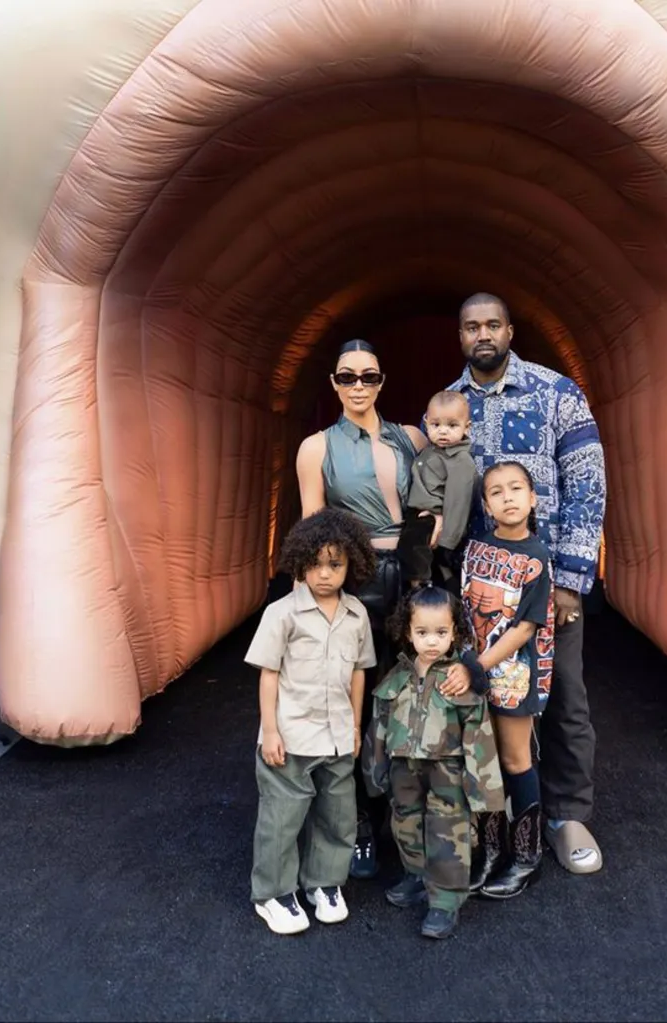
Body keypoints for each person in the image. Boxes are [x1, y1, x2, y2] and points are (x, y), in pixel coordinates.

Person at [447, 292, 607, 877]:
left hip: (546, 583)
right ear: (461, 337)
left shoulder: (556, 393)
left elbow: (588, 484)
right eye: (472, 327)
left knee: (562, 695)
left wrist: (571, 578)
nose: (483, 335)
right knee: (482, 698)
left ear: (511, 331)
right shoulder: (448, 406)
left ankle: (567, 816)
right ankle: (493, 819)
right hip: (478, 593)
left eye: (493, 324)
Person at [296, 339, 427, 879]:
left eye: (368, 376)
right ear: (334, 383)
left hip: (414, 577)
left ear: (381, 381)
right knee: (353, 699)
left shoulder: (412, 438)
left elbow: (437, 498)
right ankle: (356, 822)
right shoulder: (316, 447)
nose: (358, 386)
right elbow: (314, 530)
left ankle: (412, 816)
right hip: (359, 580)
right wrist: (313, 607)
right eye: (347, 377)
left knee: (413, 696)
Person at [245, 508, 377, 934]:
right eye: (315, 564)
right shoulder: (282, 613)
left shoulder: (357, 615)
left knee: (338, 814)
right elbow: (269, 673)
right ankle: (273, 892)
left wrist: (355, 727)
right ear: (299, 562)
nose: (324, 574)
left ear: (350, 564)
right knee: (282, 817)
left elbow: (359, 673)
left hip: (337, 735)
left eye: (335, 564)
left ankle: (324, 882)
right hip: (292, 734)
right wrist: (269, 731)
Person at [363, 585, 504, 939]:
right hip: (403, 767)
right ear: (407, 632)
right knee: (405, 822)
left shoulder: (459, 681)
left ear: (455, 632)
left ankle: (445, 901)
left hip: (447, 769)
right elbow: (379, 725)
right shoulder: (396, 677)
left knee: (448, 830)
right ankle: (416, 876)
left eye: (441, 632)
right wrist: (374, 771)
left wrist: (484, 791)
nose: (431, 641)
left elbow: (479, 734)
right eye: (422, 632)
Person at [460, 462, 556, 898]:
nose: (507, 498)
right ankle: (491, 851)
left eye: (516, 489)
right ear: (486, 505)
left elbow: (524, 628)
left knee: (516, 759)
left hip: (514, 673)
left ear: (533, 498)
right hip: (477, 666)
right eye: (496, 492)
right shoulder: (476, 547)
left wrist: (478, 665)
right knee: (486, 760)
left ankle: (526, 856)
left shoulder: (536, 557)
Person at [396, 390, 478, 591]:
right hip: (416, 513)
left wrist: (447, 543)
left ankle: (420, 589)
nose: (443, 431)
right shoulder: (429, 450)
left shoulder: (461, 460)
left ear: (467, 427)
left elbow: (458, 503)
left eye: (452, 425)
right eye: (436, 425)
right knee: (411, 552)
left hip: (433, 517)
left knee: (414, 551)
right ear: (425, 423)